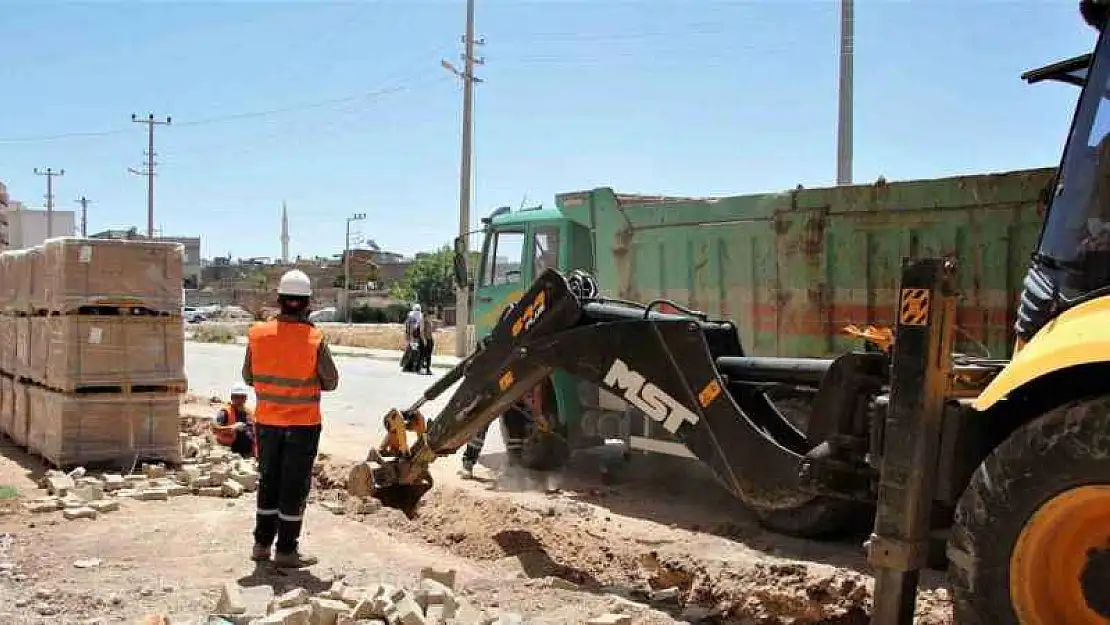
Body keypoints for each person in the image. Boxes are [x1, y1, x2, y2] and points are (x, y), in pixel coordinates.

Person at [242, 269, 340, 568]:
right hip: (302, 425)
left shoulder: (258, 334)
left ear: (280, 300)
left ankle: (261, 545)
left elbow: (247, 376)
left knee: (269, 482)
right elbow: (331, 381)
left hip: (268, 424)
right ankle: (286, 550)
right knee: (293, 488)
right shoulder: (314, 338)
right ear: (307, 302)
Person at [213, 384, 256, 459]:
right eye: (236, 397)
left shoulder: (249, 413)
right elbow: (214, 428)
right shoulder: (225, 412)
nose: (239, 400)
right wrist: (232, 427)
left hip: (248, 455)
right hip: (230, 454)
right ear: (232, 398)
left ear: (246, 398)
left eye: (242, 397)